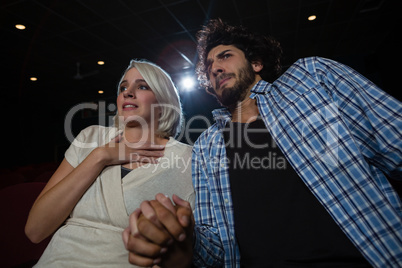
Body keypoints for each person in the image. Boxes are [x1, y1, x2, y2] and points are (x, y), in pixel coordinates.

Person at [124, 19, 402, 267]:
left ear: (256, 63)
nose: (216, 68)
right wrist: (186, 239)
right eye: (209, 69)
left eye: (225, 56)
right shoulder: (207, 146)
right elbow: (219, 251)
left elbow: (394, 137)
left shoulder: (312, 79)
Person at [25, 59, 195, 267]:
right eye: (123, 87)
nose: (128, 92)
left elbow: (188, 250)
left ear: (163, 103)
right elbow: (35, 230)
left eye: (142, 86)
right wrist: (100, 156)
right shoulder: (90, 137)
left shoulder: (188, 158)